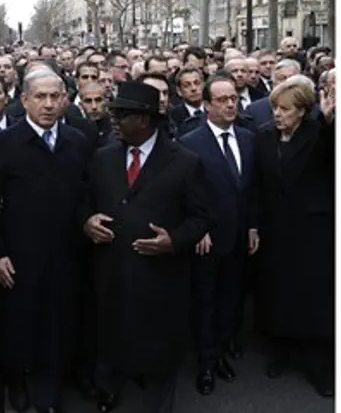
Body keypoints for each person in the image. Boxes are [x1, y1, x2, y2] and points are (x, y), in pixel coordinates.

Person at [81, 81, 210, 413]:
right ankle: (108, 388)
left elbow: (201, 218)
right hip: (112, 271)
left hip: (160, 277)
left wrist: (174, 241)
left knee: (160, 347)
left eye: (121, 115)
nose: (114, 121)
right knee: (112, 336)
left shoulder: (185, 161)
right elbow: (84, 202)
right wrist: (87, 221)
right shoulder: (102, 157)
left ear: (144, 119)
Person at [0, 68, 94, 413]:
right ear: (24, 100)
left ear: (64, 99)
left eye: (55, 97)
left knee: (60, 321)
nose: (48, 104)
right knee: (20, 322)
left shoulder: (78, 140)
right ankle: (17, 381)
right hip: (20, 255)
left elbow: (87, 193)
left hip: (67, 252)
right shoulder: (3, 144)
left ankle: (52, 385)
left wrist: (87, 220)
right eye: (40, 97)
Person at [253, 75, 335, 397]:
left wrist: (330, 121)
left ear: (302, 111)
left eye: (285, 109)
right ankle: (280, 351)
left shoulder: (320, 135)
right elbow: (257, 186)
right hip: (275, 231)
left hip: (312, 233)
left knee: (313, 299)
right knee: (278, 293)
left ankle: (319, 365)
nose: (277, 115)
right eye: (274, 108)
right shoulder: (263, 137)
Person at [179, 75, 258, 396]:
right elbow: (185, 195)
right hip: (207, 241)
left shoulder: (248, 138)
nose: (230, 104)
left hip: (240, 238)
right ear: (207, 105)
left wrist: (252, 225)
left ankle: (225, 346)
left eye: (234, 99)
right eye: (222, 99)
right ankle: (206, 363)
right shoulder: (189, 143)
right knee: (206, 302)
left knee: (232, 299)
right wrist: (198, 230)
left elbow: (251, 189)